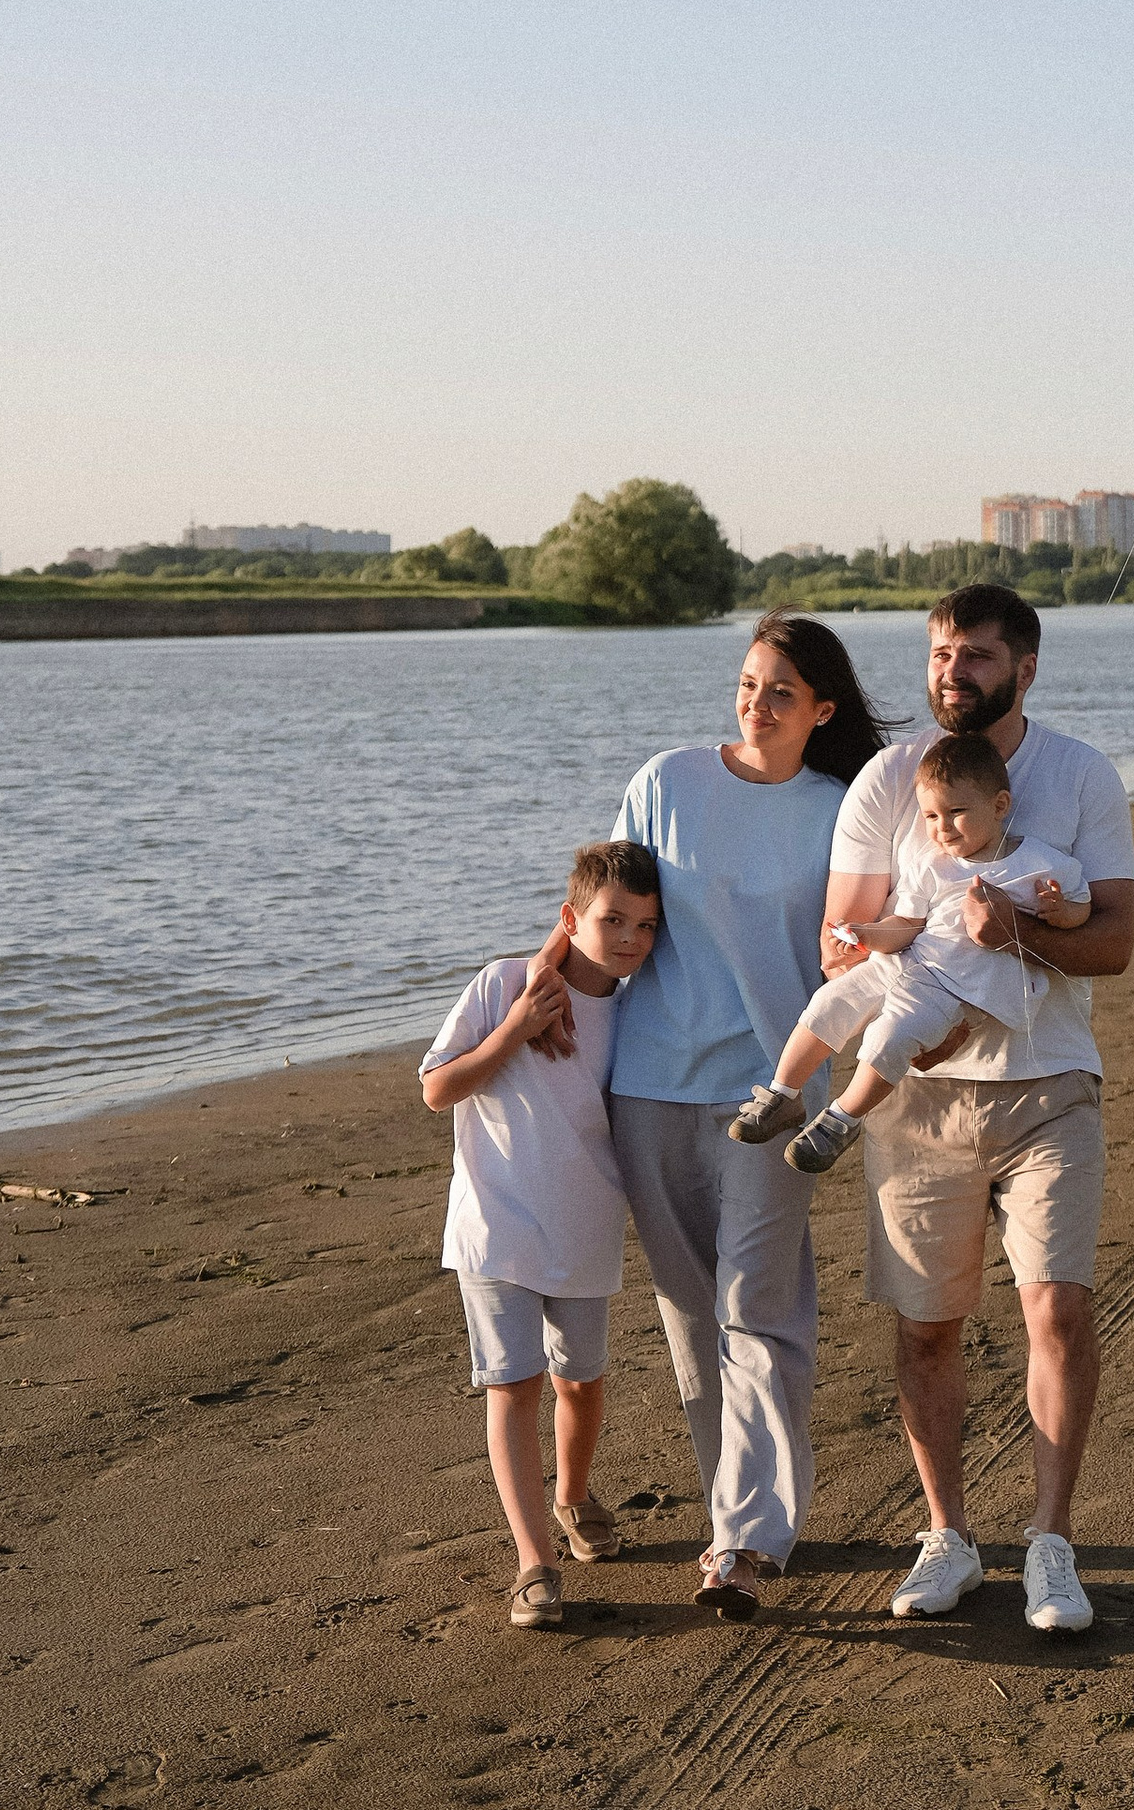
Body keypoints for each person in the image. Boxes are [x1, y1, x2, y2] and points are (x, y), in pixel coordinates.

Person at [532, 613, 888, 1621]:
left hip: (772, 1092)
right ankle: (732, 1511)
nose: (756, 704)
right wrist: (535, 995)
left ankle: (744, 1541)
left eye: (781, 690)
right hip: (648, 1085)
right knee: (693, 1317)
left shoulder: (840, 808)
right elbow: (601, 910)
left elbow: (869, 937)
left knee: (761, 1313)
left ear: (822, 710)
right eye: (746, 683)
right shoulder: (667, 782)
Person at [822, 582, 1134, 1637]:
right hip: (917, 1103)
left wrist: (1012, 937)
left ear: (1026, 668)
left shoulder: (1080, 775)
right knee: (926, 1326)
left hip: (1051, 1084)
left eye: (980, 657)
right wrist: (926, 1010)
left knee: (1058, 1307)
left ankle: (1050, 1544)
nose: (955, 672)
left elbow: (1115, 945)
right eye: (943, 654)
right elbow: (843, 939)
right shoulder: (883, 779)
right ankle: (948, 1537)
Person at [419, 839, 662, 1632]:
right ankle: (535, 1562)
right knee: (512, 1386)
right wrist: (516, 1028)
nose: (628, 937)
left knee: (581, 1382)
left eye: (646, 925)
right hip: (495, 1226)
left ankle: (572, 1491)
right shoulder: (501, 985)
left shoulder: (638, 1011)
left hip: (587, 1223)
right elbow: (436, 1088)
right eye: (611, 919)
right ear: (571, 918)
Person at [731, 729, 1090, 1167]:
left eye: (956, 812)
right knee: (829, 1002)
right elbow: (906, 925)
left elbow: (1082, 907)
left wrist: (1059, 910)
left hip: (953, 987)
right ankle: (783, 1093)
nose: (942, 828)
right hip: (905, 959)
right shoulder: (932, 864)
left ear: (999, 806)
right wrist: (866, 934)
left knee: (890, 1036)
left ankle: (841, 1119)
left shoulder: (1038, 863)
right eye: (931, 817)